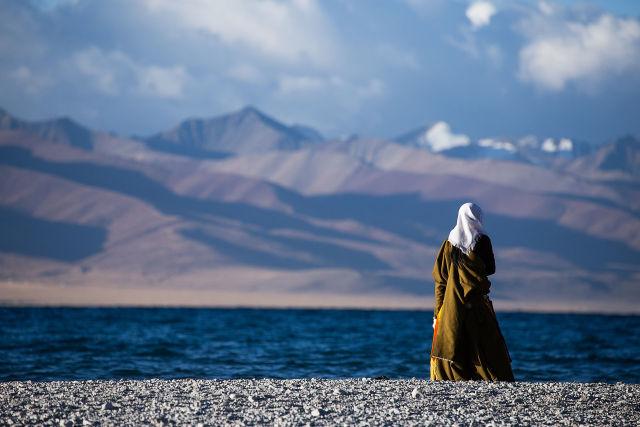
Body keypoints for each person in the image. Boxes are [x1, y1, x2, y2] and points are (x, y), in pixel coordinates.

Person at [430, 202, 514, 381]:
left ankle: (455, 379)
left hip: (451, 306)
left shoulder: (448, 243)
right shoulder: (482, 240)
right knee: (485, 346)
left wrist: (438, 313)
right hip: (476, 305)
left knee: (453, 342)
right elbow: (490, 268)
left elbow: (441, 280)